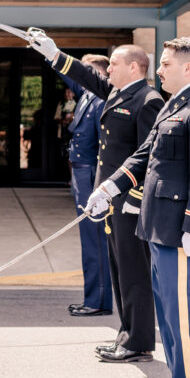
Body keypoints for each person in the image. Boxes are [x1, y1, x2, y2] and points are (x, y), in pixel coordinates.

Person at [86, 37, 190, 378]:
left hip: (184, 235)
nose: (159, 70)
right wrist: (109, 188)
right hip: (160, 231)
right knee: (169, 320)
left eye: (165, 64)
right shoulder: (173, 104)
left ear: (188, 68)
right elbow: (144, 155)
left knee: (187, 320)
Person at [28, 32, 163, 363]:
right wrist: (55, 54)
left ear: (134, 67)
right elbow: (88, 76)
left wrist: (130, 198)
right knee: (119, 271)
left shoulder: (148, 101)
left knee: (134, 273)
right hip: (111, 201)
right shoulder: (120, 93)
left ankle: (139, 341)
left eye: (114, 64)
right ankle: (128, 333)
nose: (109, 70)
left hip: (129, 201)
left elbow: (149, 157)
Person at [62, 55, 113, 317]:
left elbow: (103, 150)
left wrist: (99, 187)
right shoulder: (88, 95)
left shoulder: (100, 99)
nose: (81, 74)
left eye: (86, 70)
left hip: (92, 176)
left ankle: (98, 300)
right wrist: (49, 53)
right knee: (88, 241)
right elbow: (67, 73)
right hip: (81, 176)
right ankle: (93, 297)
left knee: (95, 242)